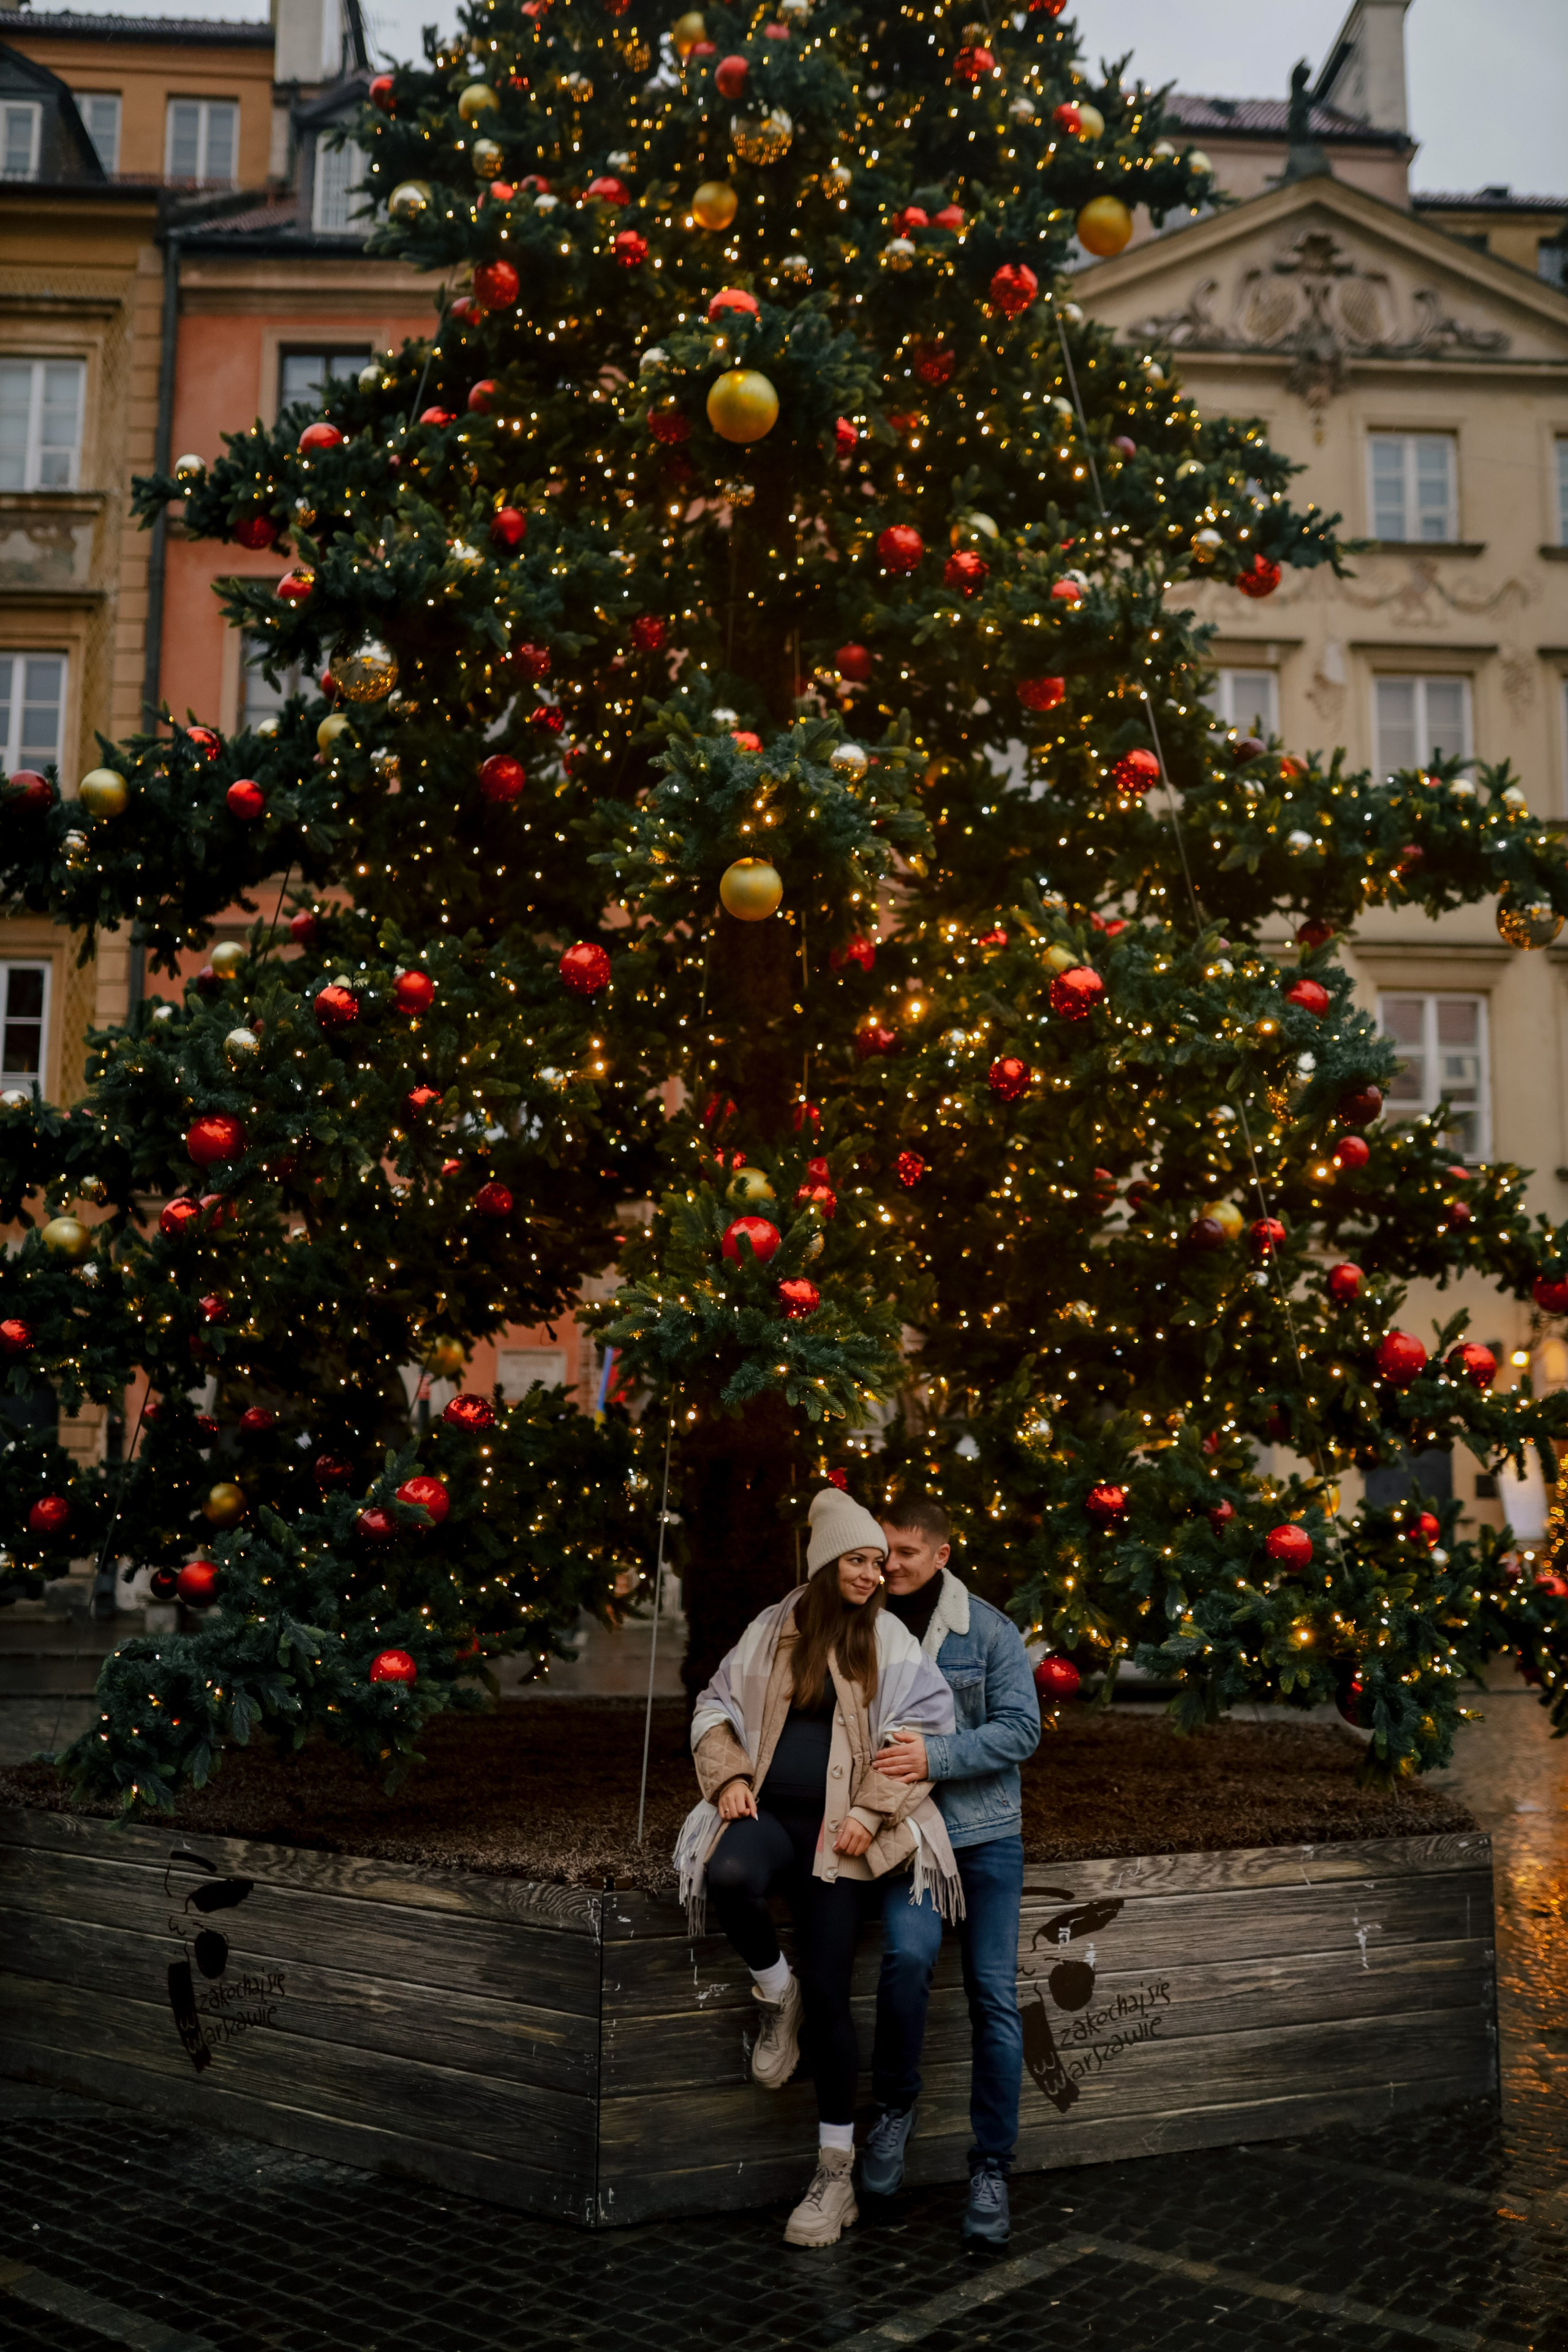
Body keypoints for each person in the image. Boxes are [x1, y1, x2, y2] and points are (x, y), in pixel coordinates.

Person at [675, 1484, 960, 2248]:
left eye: (880, 1562)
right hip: (769, 1818)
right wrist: (730, 1774)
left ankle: (835, 2173)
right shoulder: (773, 1629)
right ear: (828, 1559)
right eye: (860, 1560)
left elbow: (926, 1732)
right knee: (726, 1875)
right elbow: (712, 1704)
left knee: (834, 1993)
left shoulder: (889, 1641)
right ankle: (776, 1992)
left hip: (842, 1840)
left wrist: (868, 1816)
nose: (873, 1574)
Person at [862, 1493, 1041, 2246]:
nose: (889, 1565)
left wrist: (936, 1755)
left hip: (987, 1838)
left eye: (905, 1553)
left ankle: (991, 2167)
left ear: (941, 1554)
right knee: (906, 1958)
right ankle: (893, 2111)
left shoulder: (989, 1631)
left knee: (994, 2000)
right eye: (882, 1551)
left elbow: (1021, 1730)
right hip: (912, 1838)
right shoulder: (860, 1624)